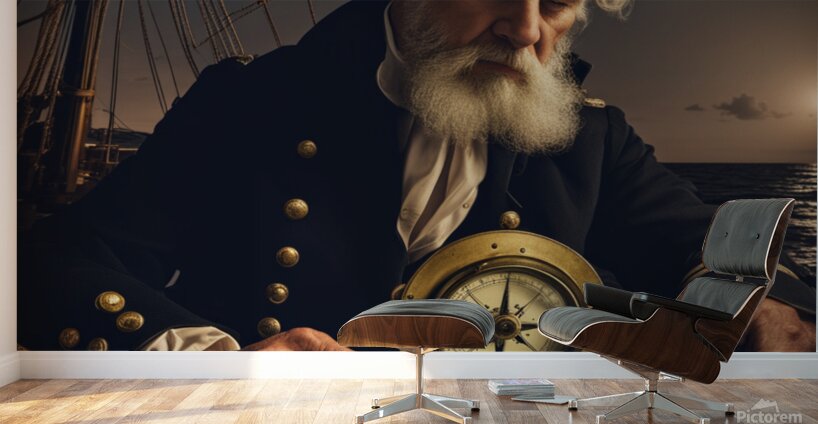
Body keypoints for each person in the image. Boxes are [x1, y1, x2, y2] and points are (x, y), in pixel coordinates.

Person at [18, 0, 816, 352]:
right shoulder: (252, 100)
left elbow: (714, 249)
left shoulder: (590, 137)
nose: (529, 28)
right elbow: (57, 264)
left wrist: (771, 311)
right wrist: (221, 358)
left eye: (560, 1)